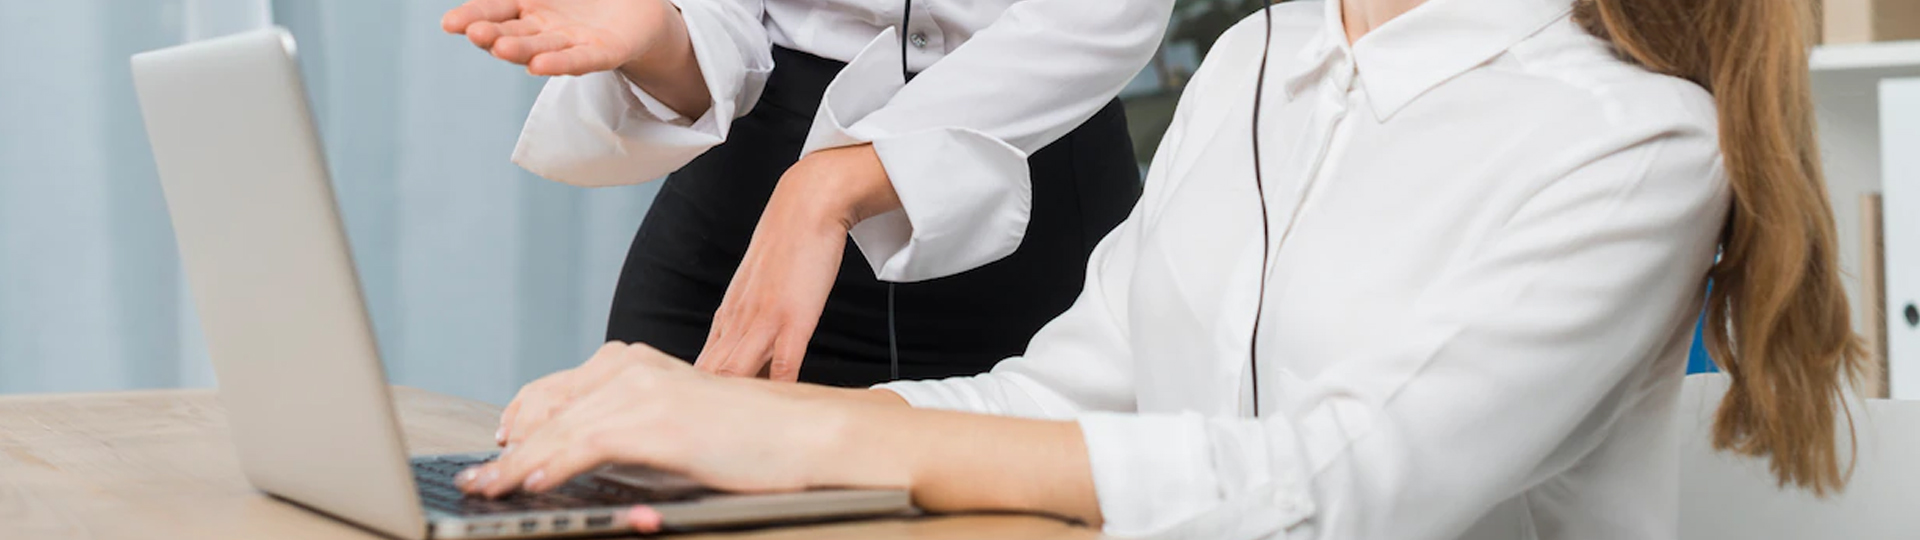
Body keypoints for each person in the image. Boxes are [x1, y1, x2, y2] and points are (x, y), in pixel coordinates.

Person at [455, 0, 1866, 538]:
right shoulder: (1259, 64)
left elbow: (1346, 491)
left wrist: (806, 434)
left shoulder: (1632, 139)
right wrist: (725, 433)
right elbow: (1061, 395)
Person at [441, 0, 1167, 388]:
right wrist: (663, 34)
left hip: (1027, 170)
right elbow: (728, 24)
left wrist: (828, 184)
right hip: (753, 192)